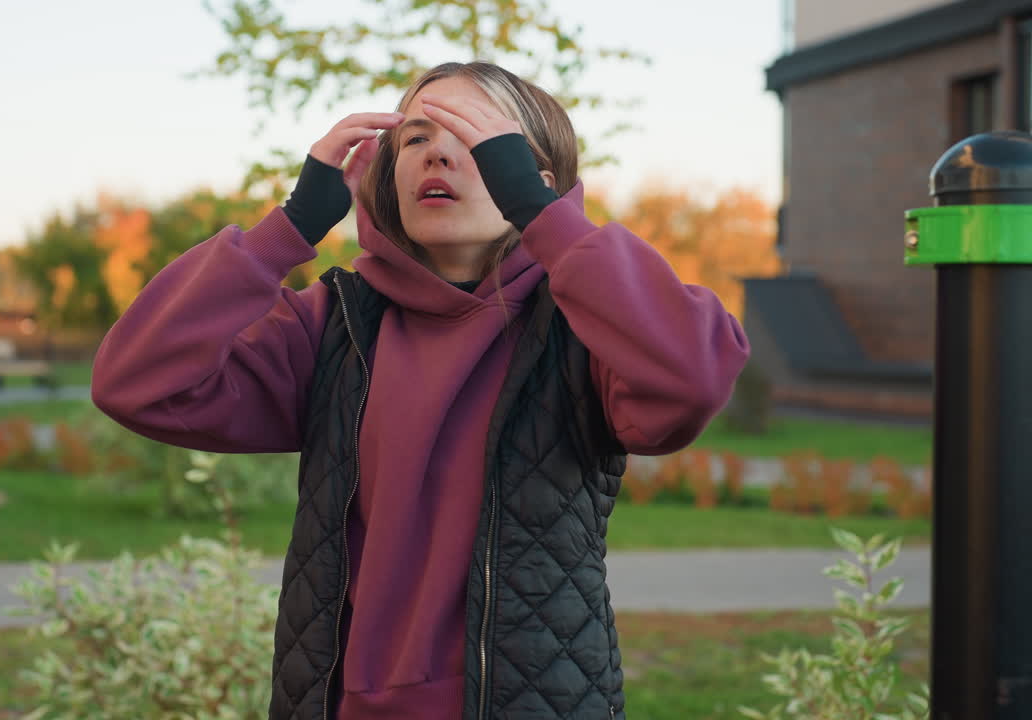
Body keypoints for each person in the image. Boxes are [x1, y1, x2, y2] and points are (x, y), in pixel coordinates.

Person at [91, 61, 750, 720]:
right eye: (415, 138)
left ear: (537, 185)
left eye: (474, 137)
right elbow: (137, 383)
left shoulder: (587, 329)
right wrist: (284, 232)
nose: (437, 150)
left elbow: (688, 377)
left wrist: (550, 223)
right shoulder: (331, 325)